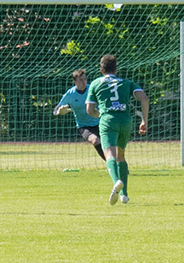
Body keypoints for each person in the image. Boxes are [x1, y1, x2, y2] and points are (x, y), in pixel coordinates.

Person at [86, 54, 149, 205]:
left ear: (101, 70)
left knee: (109, 155)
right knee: (121, 156)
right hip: (125, 120)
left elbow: (89, 109)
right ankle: (125, 195)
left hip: (108, 119)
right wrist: (144, 120)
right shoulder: (127, 83)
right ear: (116, 69)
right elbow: (144, 98)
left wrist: (99, 114)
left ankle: (117, 182)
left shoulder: (95, 84)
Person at [53, 69, 106, 161]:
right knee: (95, 140)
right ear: (75, 82)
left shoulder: (92, 89)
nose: (84, 82)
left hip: (101, 122)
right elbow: (55, 110)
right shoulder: (70, 94)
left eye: (85, 79)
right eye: (80, 80)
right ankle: (111, 163)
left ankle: (116, 163)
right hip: (84, 126)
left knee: (111, 143)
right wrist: (60, 112)